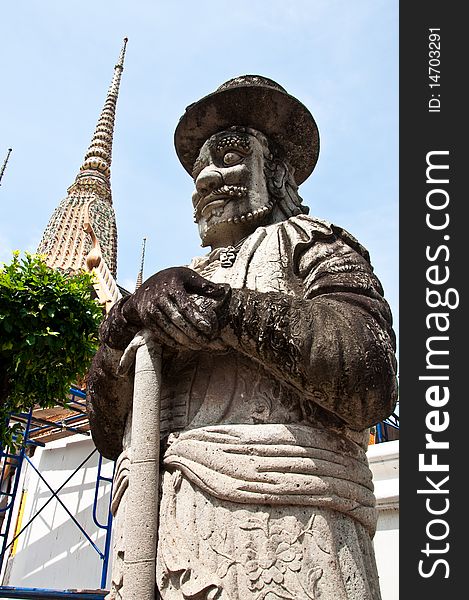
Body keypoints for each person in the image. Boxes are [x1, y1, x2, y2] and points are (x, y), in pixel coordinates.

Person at [87, 75, 398, 600]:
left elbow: (368, 375)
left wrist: (224, 312)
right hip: (156, 530)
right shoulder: (181, 277)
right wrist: (121, 328)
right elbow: (109, 431)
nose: (205, 178)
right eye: (198, 168)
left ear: (276, 174)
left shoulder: (310, 243)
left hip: (284, 526)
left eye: (228, 156)